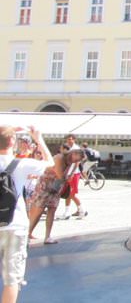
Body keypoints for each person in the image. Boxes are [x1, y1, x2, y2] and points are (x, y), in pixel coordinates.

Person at [0, 125, 53, 303]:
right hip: (15, 224)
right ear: (13, 142)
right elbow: (50, 164)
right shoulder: (21, 164)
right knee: (12, 279)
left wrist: (7, 131)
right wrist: (38, 138)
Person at [27, 145, 85, 243]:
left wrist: (68, 176)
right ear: (73, 153)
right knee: (38, 211)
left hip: (56, 186)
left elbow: (64, 174)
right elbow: (59, 174)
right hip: (45, 185)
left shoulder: (71, 161)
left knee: (52, 210)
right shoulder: (59, 158)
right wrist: (66, 178)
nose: (75, 162)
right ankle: (27, 234)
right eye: (76, 159)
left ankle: (48, 237)